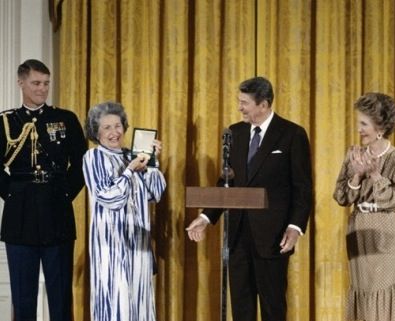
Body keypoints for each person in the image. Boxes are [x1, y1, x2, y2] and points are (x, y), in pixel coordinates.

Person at [186, 76, 313, 321]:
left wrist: (295, 227)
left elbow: (303, 188)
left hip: (273, 237)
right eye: (239, 101)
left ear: (263, 105)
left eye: (244, 102)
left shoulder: (291, 134)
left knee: (273, 308)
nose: (239, 107)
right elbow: (226, 184)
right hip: (237, 237)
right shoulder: (234, 133)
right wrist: (204, 217)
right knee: (241, 309)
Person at [0, 59, 87, 320]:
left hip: (57, 214)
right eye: (36, 83)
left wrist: (63, 195)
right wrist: (13, 194)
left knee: (60, 299)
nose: (42, 89)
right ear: (21, 83)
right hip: (20, 217)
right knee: (23, 299)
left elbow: (83, 164)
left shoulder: (65, 119)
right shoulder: (5, 122)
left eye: (46, 83)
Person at [333, 92, 395, 321]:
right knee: (361, 288)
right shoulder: (354, 155)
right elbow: (341, 196)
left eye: (364, 124)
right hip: (358, 228)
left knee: (382, 287)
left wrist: (376, 175)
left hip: (384, 230)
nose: (359, 129)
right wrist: (357, 177)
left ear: (380, 127)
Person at [83, 101, 166, 321]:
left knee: (139, 306)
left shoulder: (133, 155)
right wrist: (129, 171)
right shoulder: (93, 157)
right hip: (110, 247)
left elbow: (155, 194)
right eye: (107, 127)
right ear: (96, 132)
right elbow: (110, 198)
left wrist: (153, 163)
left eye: (118, 126)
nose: (114, 132)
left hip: (138, 245)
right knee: (114, 306)